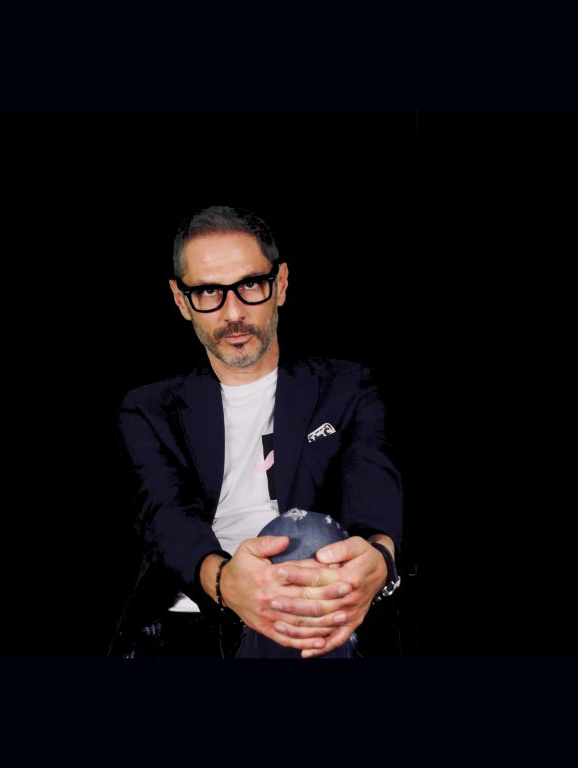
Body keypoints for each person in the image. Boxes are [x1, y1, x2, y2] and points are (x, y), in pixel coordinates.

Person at [109, 205, 403, 659]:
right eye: (208, 290)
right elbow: (166, 516)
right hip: (190, 624)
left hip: (318, 603)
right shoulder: (150, 409)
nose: (233, 312)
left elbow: (372, 481)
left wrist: (380, 558)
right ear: (181, 300)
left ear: (280, 284)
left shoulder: (348, 387)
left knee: (305, 536)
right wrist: (227, 583)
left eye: (249, 285)